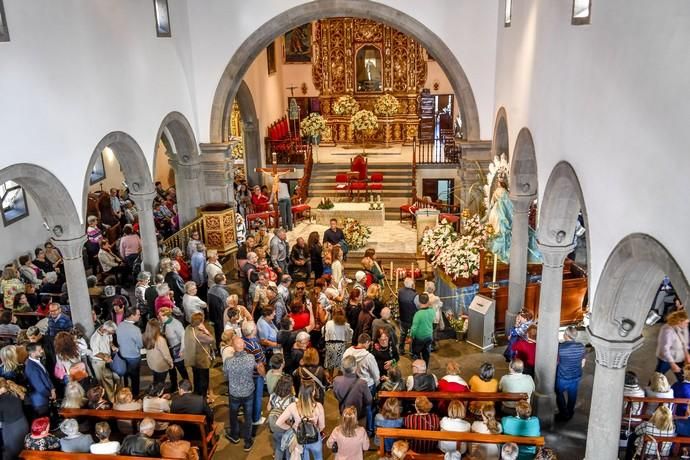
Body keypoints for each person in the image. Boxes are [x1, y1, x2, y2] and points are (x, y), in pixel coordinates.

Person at [225, 336, 264, 451]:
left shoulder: (228, 361)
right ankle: (248, 441)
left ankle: (235, 435)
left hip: (234, 393)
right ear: (244, 346)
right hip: (248, 393)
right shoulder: (251, 358)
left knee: (233, 415)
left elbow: (226, 376)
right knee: (248, 417)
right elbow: (260, 371)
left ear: (233, 347)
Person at [276, 383, 326, 460]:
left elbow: (278, 423)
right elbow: (322, 426)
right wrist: (316, 430)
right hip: (315, 438)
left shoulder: (293, 406)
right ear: (313, 393)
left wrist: (291, 427)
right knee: (318, 457)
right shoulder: (318, 406)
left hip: (301, 439)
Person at [555, 325, 586, 421]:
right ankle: (570, 411)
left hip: (562, 376)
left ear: (566, 335)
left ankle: (564, 414)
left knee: (559, 393)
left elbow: (556, 361)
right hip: (576, 376)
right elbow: (583, 363)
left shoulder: (560, 347)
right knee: (572, 395)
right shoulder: (581, 346)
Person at [334, 355, 372, 429]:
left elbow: (336, 395)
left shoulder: (336, 380)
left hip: (344, 413)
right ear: (355, 368)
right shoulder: (362, 383)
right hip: (358, 415)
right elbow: (369, 400)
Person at [184, 312, 214, 398]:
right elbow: (211, 340)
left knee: (196, 378)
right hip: (202, 361)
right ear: (200, 322)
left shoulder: (188, 328)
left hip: (193, 359)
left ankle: (196, 394)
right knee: (204, 380)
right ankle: (202, 398)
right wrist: (206, 331)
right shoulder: (200, 334)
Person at [656, 310, 690, 382]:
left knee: (683, 377)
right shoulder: (667, 330)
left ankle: (684, 390)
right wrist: (672, 364)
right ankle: (650, 390)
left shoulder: (684, 327)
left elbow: (685, 342)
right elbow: (665, 349)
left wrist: (687, 354)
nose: (687, 325)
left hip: (680, 357)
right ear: (679, 321)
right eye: (686, 323)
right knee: (658, 377)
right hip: (666, 359)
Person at [159, 306, 188, 391]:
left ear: (166, 316)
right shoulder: (163, 323)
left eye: (160, 316)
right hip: (168, 350)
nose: (159, 317)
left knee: (181, 369)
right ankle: (174, 385)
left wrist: (182, 350)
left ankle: (187, 386)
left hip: (177, 350)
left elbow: (183, 337)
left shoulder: (176, 324)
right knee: (171, 369)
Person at [0, 377, 29, 460]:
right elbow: (28, 401)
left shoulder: (1, 400)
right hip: (23, 423)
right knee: (24, 448)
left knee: (12, 452)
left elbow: (1, 419)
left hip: (11, 428)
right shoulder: (16, 392)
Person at [117, 306, 143, 396]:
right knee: (135, 378)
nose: (140, 316)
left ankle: (125, 393)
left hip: (122, 355)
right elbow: (140, 344)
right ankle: (135, 395)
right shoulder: (135, 329)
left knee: (125, 376)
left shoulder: (120, 325)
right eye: (138, 314)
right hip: (133, 357)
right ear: (132, 315)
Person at [267, 374, 295, 460]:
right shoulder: (292, 399)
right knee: (287, 447)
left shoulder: (273, 395)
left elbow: (268, 408)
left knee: (279, 445)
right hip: (286, 427)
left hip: (274, 426)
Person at [24, 343, 55, 416]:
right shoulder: (32, 369)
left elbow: (46, 375)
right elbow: (40, 388)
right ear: (32, 353)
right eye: (39, 350)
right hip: (40, 402)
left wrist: (52, 388)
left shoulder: (37, 360)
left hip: (45, 396)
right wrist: (51, 394)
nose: (42, 351)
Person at [144, 318, 174, 386]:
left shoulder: (145, 336)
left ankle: (154, 391)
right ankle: (158, 393)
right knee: (160, 383)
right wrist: (171, 363)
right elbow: (166, 355)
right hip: (160, 366)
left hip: (151, 363)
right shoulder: (160, 340)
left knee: (156, 380)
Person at [410, 293, 434, 367]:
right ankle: (425, 367)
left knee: (416, 353)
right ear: (428, 301)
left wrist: (411, 336)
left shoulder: (418, 314)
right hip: (429, 336)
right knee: (426, 354)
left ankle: (418, 367)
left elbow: (414, 328)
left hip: (419, 338)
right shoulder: (432, 311)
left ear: (419, 302)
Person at [207, 273, 228, 348]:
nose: (226, 279)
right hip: (221, 316)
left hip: (212, 315)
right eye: (225, 278)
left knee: (217, 333)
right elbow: (226, 306)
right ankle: (223, 347)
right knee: (222, 333)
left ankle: (218, 347)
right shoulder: (223, 292)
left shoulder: (211, 288)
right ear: (222, 281)